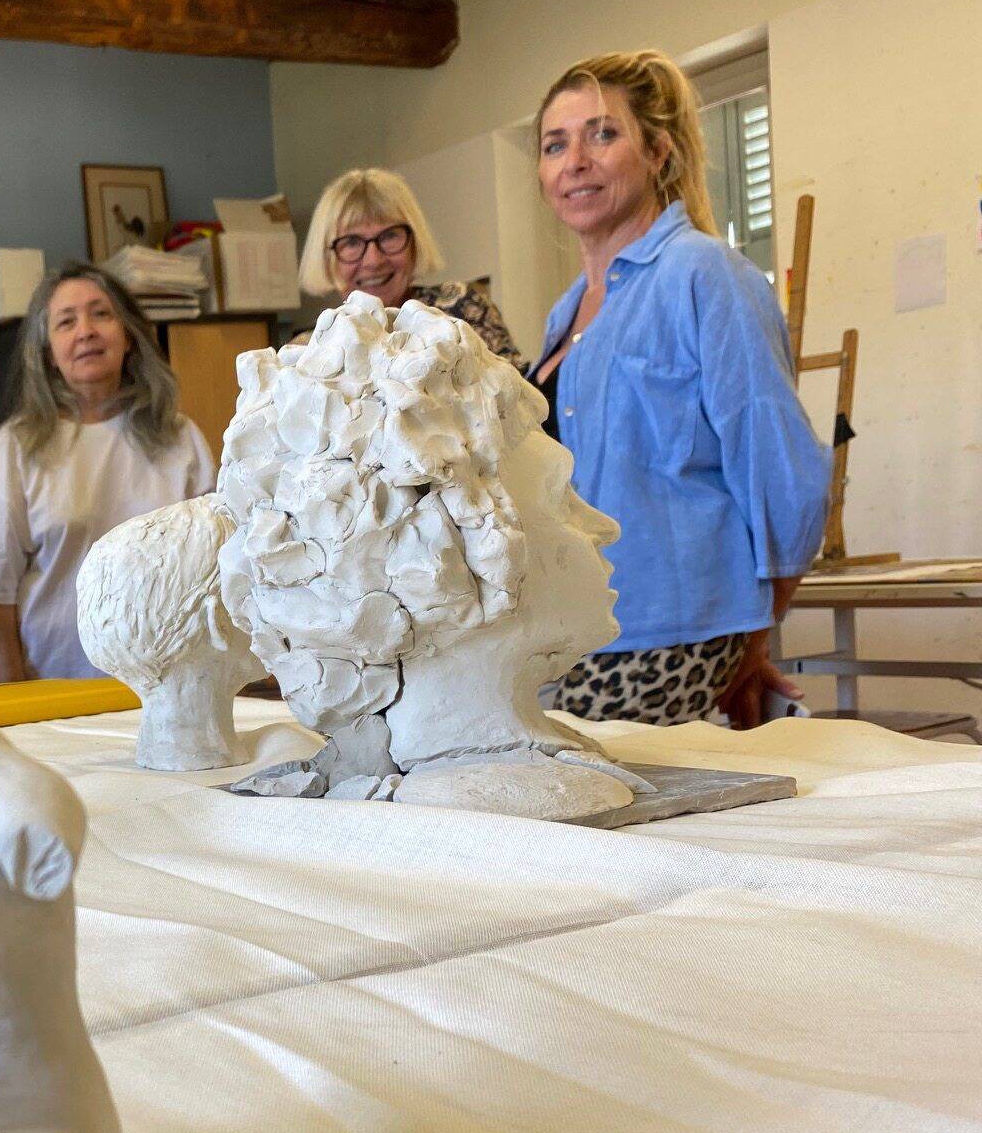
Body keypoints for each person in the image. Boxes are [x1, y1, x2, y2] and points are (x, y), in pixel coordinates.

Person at [529, 50, 829, 728]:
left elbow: (780, 464)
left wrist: (752, 634)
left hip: (681, 621)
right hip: (588, 624)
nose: (575, 160)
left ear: (658, 151)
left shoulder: (703, 273)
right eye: (555, 144)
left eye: (603, 134)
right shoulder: (564, 311)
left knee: (596, 814)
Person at [0, 262, 213, 680]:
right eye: (66, 322)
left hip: (174, 682)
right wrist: (14, 702)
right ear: (47, 352)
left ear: (128, 337)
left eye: (100, 314)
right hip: (56, 686)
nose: (85, 331)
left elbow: (217, 569)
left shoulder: (181, 438)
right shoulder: (15, 448)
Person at [295, 168, 523, 367]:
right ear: (326, 257)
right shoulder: (308, 351)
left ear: (415, 242)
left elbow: (518, 403)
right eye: (352, 243)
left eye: (390, 236)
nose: (373, 260)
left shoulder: (462, 311)